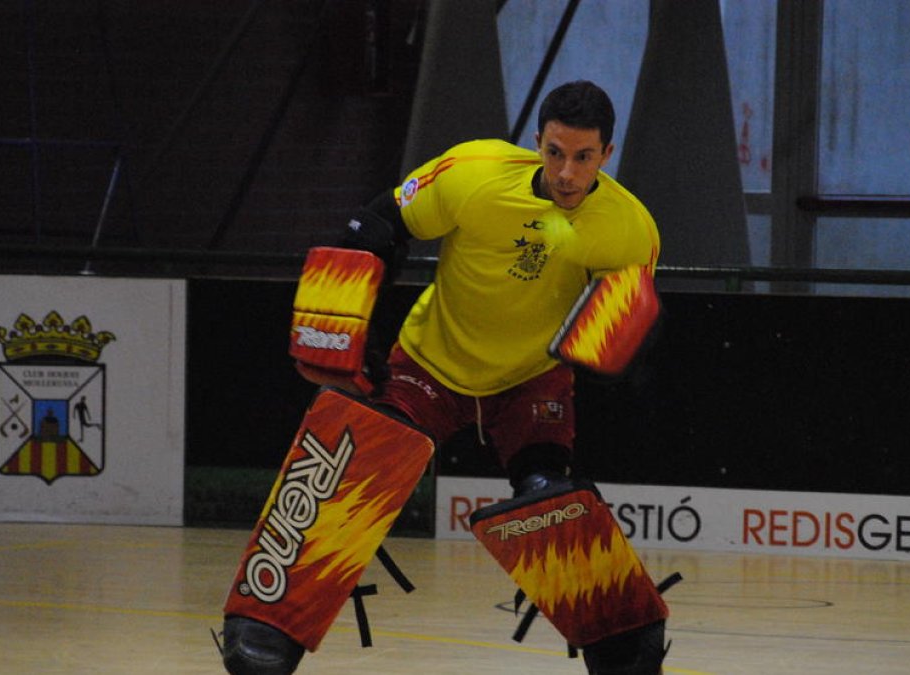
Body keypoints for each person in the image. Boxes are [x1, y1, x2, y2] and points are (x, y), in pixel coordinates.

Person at [222, 80, 667, 674]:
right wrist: (358, 330)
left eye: (583, 157)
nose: (565, 171)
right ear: (536, 141)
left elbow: (621, 328)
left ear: (607, 155)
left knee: (549, 500)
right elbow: (376, 226)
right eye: (554, 151)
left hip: (530, 377)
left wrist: (620, 357)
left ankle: (621, 650)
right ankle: (266, 623)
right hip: (432, 360)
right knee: (357, 456)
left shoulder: (630, 229)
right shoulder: (474, 172)